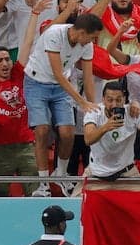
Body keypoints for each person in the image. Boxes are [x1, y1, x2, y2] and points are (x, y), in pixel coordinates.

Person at [22, 13, 104, 197]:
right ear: (82, 33)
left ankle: (60, 174)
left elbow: (88, 78)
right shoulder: (54, 34)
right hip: (36, 83)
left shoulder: (87, 45)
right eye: (92, 37)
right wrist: (81, 102)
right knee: (42, 131)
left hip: (61, 87)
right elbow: (57, 74)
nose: (93, 41)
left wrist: (92, 106)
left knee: (68, 133)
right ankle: (43, 184)